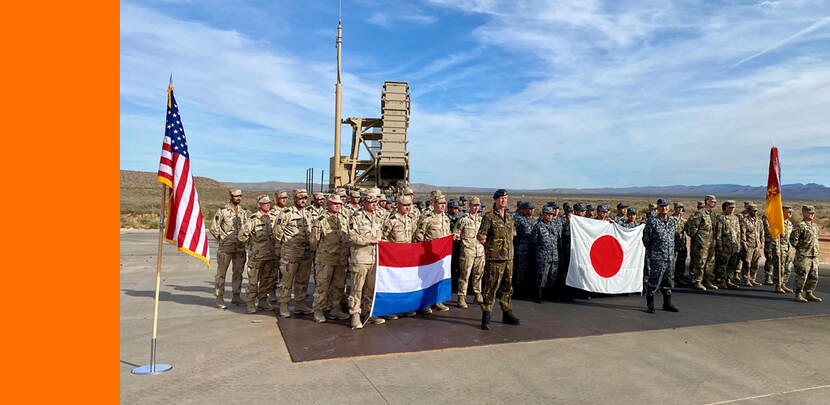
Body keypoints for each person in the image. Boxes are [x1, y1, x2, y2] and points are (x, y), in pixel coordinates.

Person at [478, 189, 520, 330]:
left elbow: (512, 235)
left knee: (508, 287)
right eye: (501, 198)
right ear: (495, 200)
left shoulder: (510, 217)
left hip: (508, 258)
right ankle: (486, 315)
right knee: (491, 288)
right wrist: (492, 249)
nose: (504, 200)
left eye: (506, 198)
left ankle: (507, 313)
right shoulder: (489, 217)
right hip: (495, 259)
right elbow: (481, 237)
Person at [309, 195, 350, 322]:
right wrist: (320, 253)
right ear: (328, 204)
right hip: (325, 259)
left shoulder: (344, 219)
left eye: (339, 203)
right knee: (322, 286)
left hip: (341, 258)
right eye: (334, 203)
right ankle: (318, 310)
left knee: (338, 286)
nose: (337, 205)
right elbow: (313, 242)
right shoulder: (321, 220)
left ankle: (335, 309)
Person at [348, 190, 385, 328]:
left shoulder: (378, 217)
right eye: (371, 202)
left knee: (371, 288)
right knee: (357, 288)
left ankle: (368, 313)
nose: (374, 204)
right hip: (361, 258)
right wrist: (369, 240)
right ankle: (355, 314)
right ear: (364, 203)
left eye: (375, 202)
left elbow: (381, 235)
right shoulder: (356, 217)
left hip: (375, 258)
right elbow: (352, 236)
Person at [238, 195, 279, 314]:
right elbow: (242, 236)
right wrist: (252, 244)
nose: (267, 204)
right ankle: (250, 302)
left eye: (269, 203)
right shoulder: (253, 219)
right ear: (258, 205)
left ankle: (263, 301)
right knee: (253, 281)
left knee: (267, 280)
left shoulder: (273, 218)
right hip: (257, 256)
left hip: (270, 255)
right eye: (264, 203)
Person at [276, 189, 314, 318]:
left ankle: (300, 304)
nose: (303, 200)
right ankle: (284, 305)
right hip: (290, 253)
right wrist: (286, 245)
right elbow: (277, 233)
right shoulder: (286, 213)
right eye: (300, 198)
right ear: (294, 199)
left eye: (305, 198)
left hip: (306, 252)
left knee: (303, 280)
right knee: (286, 281)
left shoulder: (309, 213)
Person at [209, 189, 249, 309]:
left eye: (240, 196)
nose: (238, 198)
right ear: (230, 196)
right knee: (221, 274)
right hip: (226, 248)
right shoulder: (222, 211)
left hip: (240, 248)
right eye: (236, 196)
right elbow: (213, 228)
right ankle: (219, 298)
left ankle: (236, 296)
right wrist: (223, 239)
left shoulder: (243, 212)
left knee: (238, 273)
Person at [414, 193, 452, 313]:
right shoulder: (427, 218)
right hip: (429, 254)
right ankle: (426, 303)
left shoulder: (446, 219)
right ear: (434, 204)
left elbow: (447, 235)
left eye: (444, 203)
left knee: (440, 278)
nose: (443, 206)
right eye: (440, 203)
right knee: (427, 280)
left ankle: (438, 301)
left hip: (441, 255)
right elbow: (419, 235)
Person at [381, 194, 417, 318]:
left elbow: (413, 236)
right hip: (394, 257)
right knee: (393, 284)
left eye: (409, 205)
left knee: (405, 283)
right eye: (405, 205)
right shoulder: (391, 220)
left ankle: (405, 307)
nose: (408, 208)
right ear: (398, 205)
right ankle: (391, 310)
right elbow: (383, 237)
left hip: (406, 256)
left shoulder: (410, 220)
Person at [643, 199, 678, 313]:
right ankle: (650, 305)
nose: (664, 208)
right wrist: (654, 251)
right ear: (657, 208)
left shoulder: (672, 222)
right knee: (654, 282)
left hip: (670, 257)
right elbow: (646, 239)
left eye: (666, 206)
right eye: (661, 206)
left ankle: (667, 304)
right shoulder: (652, 222)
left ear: (669, 208)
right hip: (657, 257)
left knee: (668, 282)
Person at [453, 197, 485, 309]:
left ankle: (477, 294)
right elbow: (456, 234)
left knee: (479, 273)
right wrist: (460, 241)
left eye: (477, 206)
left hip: (480, 251)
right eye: (474, 205)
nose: (476, 208)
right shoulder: (463, 219)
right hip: (467, 251)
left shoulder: (481, 220)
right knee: (465, 274)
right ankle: (461, 297)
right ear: (469, 206)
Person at [685, 195, 718, 291]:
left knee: (709, 263)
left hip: (711, 243)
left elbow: (714, 228)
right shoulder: (700, 213)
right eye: (712, 201)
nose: (714, 203)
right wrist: (698, 239)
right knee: (700, 262)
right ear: (707, 201)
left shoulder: (712, 214)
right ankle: (697, 281)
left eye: (715, 201)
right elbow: (692, 229)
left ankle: (706, 280)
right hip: (701, 244)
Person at [790, 205, 822, 303]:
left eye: (813, 213)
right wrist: (801, 248)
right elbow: (793, 240)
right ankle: (798, 294)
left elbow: (816, 239)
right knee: (802, 275)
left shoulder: (815, 226)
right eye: (810, 213)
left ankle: (809, 293)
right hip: (803, 256)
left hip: (814, 255)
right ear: (804, 213)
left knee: (814, 275)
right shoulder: (800, 226)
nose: (812, 215)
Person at [531, 205, 562, 303]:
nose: (549, 216)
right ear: (543, 215)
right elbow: (534, 241)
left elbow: (559, 240)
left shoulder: (555, 226)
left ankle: (550, 295)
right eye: (547, 214)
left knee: (552, 276)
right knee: (541, 276)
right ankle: (539, 296)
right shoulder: (538, 226)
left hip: (554, 255)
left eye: (551, 215)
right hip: (543, 256)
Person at [714, 200, 741, 290]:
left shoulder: (735, 218)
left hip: (734, 244)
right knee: (723, 263)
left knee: (732, 263)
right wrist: (719, 245)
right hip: (725, 244)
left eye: (733, 208)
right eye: (730, 207)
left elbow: (738, 232)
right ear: (726, 207)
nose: (732, 209)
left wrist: (739, 244)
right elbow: (718, 233)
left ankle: (728, 280)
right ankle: (723, 281)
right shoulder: (721, 218)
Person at [768, 205, 794, 293]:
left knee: (788, 268)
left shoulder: (789, 223)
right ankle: (778, 285)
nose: (790, 213)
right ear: (782, 212)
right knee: (779, 268)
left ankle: (783, 284)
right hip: (780, 248)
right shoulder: (777, 223)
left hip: (788, 248)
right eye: (788, 211)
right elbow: (775, 237)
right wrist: (777, 249)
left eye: (791, 211)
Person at [739, 204, 764, 286]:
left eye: (756, 211)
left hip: (757, 245)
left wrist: (762, 242)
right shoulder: (745, 220)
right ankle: (746, 279)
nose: (755, 212)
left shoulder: (759, 221)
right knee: (747, 263)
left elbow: (761, 232)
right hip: (749, 244)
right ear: (749, 211)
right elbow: (743, 233)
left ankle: (752, 279)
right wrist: (744, 244)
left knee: (755, 263)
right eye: (753, 211)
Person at [670, 202, 688, 287]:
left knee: (681, 263)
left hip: (682, 244)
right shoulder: (670, 219)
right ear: (675, 209)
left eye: (681, 208)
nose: (680, 209)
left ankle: (680, 278)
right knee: (672, 263)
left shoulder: (684, 220)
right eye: (678, 208)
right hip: (673, 244)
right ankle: (671, 279)